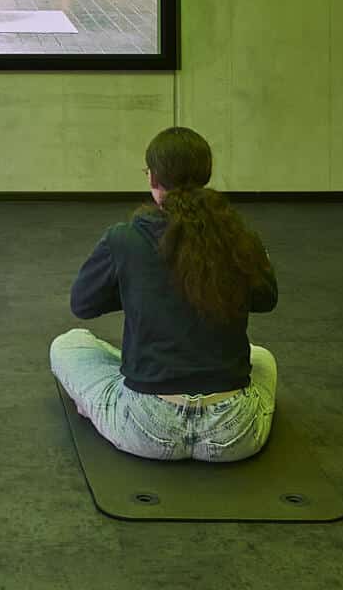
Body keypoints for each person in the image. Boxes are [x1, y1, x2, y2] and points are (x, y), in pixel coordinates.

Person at [51, 126, 279, 462]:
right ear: (205, 175)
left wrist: (140, 289)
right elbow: (265, 299)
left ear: (153, 178)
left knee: (68, 344)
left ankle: (99, 408)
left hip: (147, 427)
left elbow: (82, 305)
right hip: (233, 434)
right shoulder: (240, 234)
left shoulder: (124, 238)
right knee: (262, 357)